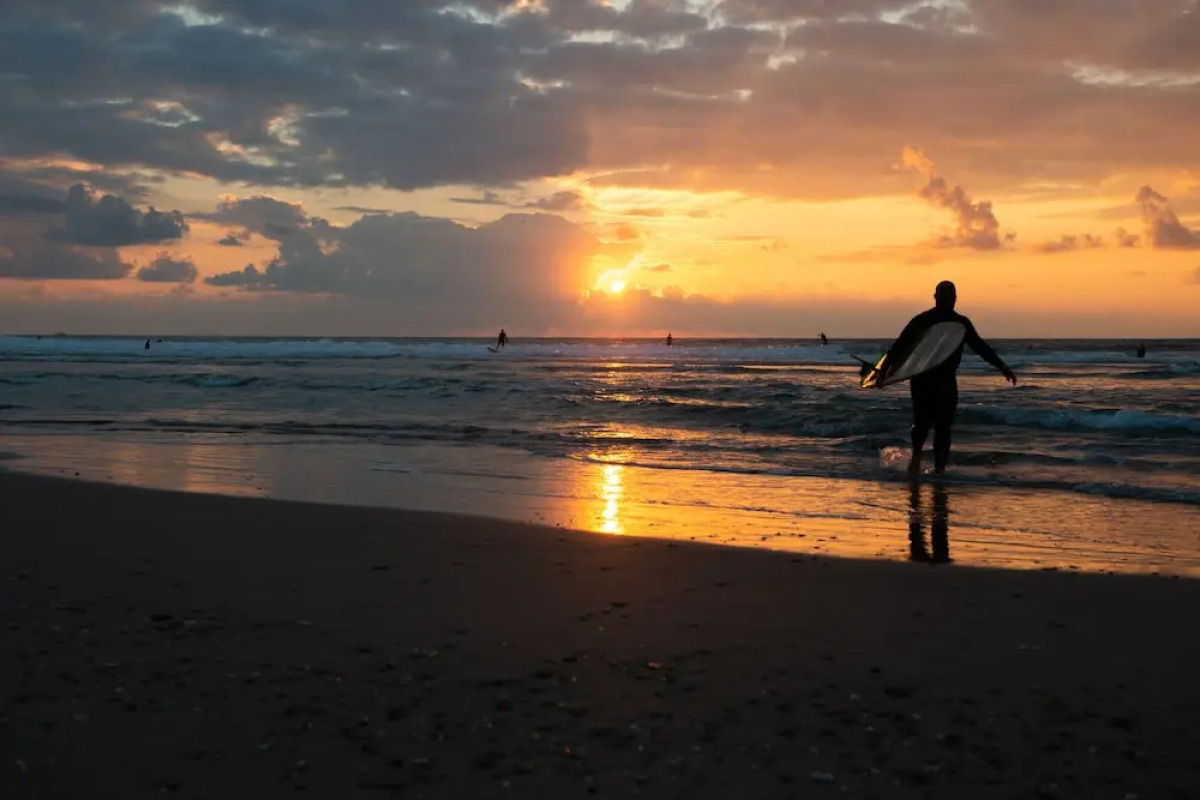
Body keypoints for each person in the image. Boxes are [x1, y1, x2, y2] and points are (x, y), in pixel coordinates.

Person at [887, 281, 1016, 474]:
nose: (949, 300)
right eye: (944, 296)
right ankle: (916, 457)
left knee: (943, 427)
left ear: (955, 298)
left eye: (951, 297)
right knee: (921, 423)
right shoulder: (922, 320)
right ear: (935, 297)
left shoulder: (961, 324)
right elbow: (900, 347)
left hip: (946, 381)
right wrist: (882, 373)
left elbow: (980, 347)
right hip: (923, 379)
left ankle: (940, 469)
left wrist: (1002, 366)